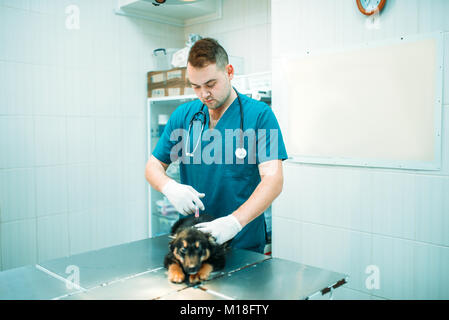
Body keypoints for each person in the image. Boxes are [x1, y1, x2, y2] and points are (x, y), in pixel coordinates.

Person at [145, 38, 287, 253]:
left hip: (243, 242)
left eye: (211, 85)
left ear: (229, 72)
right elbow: (153, 166)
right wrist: (169, 187)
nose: (204, 94)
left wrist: (233, 222)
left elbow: (273, 179)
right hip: (194, 241)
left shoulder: (260, 116)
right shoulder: (184, 116)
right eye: (196, 86)